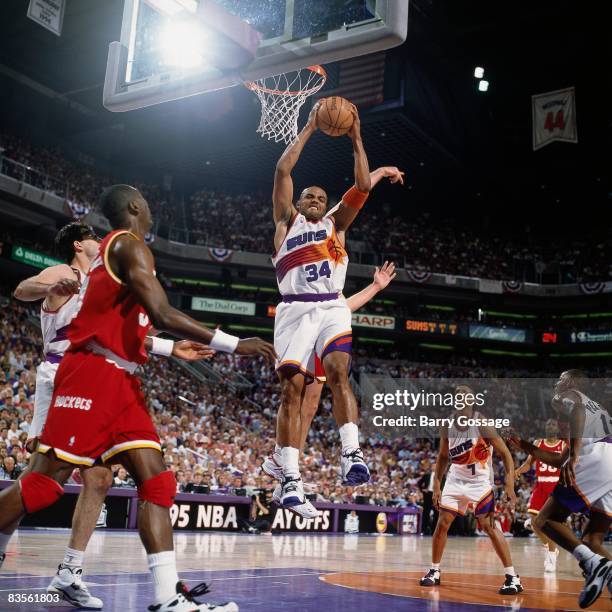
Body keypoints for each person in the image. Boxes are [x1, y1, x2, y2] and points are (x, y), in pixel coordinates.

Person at [0, 185, 275, 612]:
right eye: (145, 201)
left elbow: (134, 328)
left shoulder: (116, 258)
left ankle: (167, 598)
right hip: (87, 375)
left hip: (122, 380)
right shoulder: (125, 244)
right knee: (42, 484)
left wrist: (169, 349)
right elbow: (163, 313)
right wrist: (234, 343)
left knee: (157, 481)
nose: (151, 207)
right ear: (134, 207)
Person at [5, 222, 214, 609]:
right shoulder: (67, 272)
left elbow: (125, 335)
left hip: (93, 378)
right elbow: (21, 289)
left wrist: (171, 349)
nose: (100, 241)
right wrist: (48, 289)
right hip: (64, 374)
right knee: (40, 481)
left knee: (99, 479)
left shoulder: (101, 279)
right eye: (93, 237)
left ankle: (70, 571)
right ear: (77, 243)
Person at [271, 100, 403, 516]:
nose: (313, 198)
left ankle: (352, 452)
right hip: (294, 312)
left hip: (331, 307)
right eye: (308, 195)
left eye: (320, 196)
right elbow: (282, 171)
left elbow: (362, 186)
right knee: (292, 392)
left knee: (340, 373)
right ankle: (290, 476)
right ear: (298, 202)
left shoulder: (337, 226)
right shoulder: (284, 224)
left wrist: (357, 136)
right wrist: (310, 127)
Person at [262, 259, 399, 499]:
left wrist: (375, 287)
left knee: (310, 406)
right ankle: (284, 466)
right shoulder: (307, 262)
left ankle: (287, 472)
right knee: (297, 402)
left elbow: (342, 307)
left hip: (319, 334)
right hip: (301, 328)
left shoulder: (330, 275)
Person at [509, 370, 612, 609]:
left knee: (544, 521)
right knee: (592, 539)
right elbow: (558, 460)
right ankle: (601, 567)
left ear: (572, 382)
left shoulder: (572, 396)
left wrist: (575, 455)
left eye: (561, 379)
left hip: (596, 459)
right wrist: (522, 444)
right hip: (609, 463)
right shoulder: (596, 412)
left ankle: (592, 564)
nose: (556, 383)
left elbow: (576, 411)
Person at [420, 385, 523, 595]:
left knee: (489, 526)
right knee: (442, 524)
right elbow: (441, 457)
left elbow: (505, 453)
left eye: (464, 395)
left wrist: (509, 483)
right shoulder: (447, 424)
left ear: (472, 400)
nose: (460, 397)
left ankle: (513, 578)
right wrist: (437, 485)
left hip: (480, 481)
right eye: (457, 395)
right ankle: (434, 571)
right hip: (456, 479)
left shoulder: (481, 423)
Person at [515, 418, 566, 572]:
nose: (550, 426)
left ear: (557, 428)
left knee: (547, 524)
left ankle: (551, 557)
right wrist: (518, 470)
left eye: (553, 424)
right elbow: (529, 463)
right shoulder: (538, 443)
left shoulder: (563, 445)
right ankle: (550, 547)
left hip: (555, 486)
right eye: (548, 424)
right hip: (540, 485)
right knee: (534, 523)